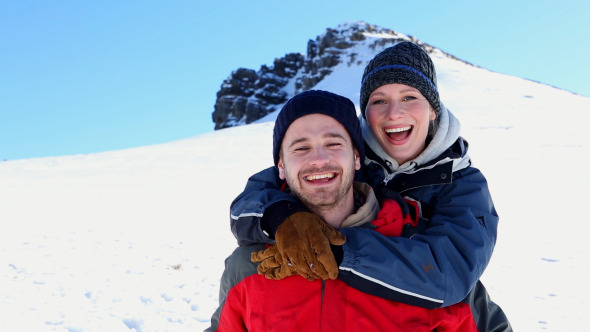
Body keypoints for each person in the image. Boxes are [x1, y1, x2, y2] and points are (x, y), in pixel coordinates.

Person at [229, 41, 510, 328]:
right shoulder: (339, 157)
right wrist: (283, 217)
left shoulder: (462, 184)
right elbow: (251, 198)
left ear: (434, 110)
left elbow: (448, 275)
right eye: (379, 101)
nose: (393, 114)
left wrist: (335, 249)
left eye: (410, 97)